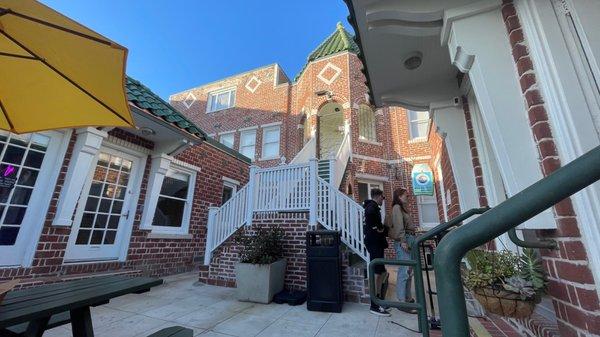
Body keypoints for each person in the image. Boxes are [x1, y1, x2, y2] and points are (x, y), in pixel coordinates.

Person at [388, 187, 417, 314]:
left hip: (410, 239)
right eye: (406, 195)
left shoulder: (403, 208)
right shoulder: (396, 208)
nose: (408, 197)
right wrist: (403, 240)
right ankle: (401, 301)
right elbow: (399, 225)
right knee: (404, 271)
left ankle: (408, 298)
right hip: (403, 241)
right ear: (399, 196)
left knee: (409, 271)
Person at [363, 188, 391, 316]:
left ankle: (378, 299)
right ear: (378, 196)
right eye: (383, 197)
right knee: (377, 272)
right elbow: (370, 218)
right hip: (374, 242)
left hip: (375, 242)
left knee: (382, 272)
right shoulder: (371, 207)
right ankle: (374, 305)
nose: (383, 200)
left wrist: (380, 228)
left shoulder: (373, 206)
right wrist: (379, 228)